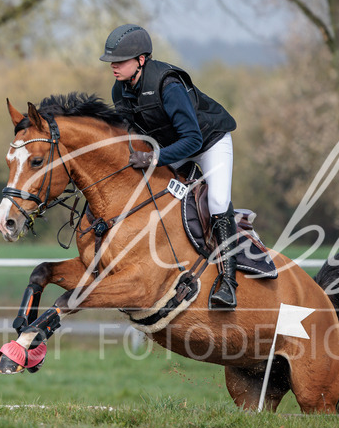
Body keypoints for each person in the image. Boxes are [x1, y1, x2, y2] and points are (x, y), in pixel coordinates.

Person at [100, 23, 240, 310]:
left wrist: (153, 159)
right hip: (172, 146)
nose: (113, 67)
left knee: (216, 200)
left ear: (141, 60)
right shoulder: (120, 90)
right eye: (112, 61)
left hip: (208, 143)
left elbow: (192, 140)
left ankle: (228, 281)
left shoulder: (168, 84)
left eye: (120, 61)